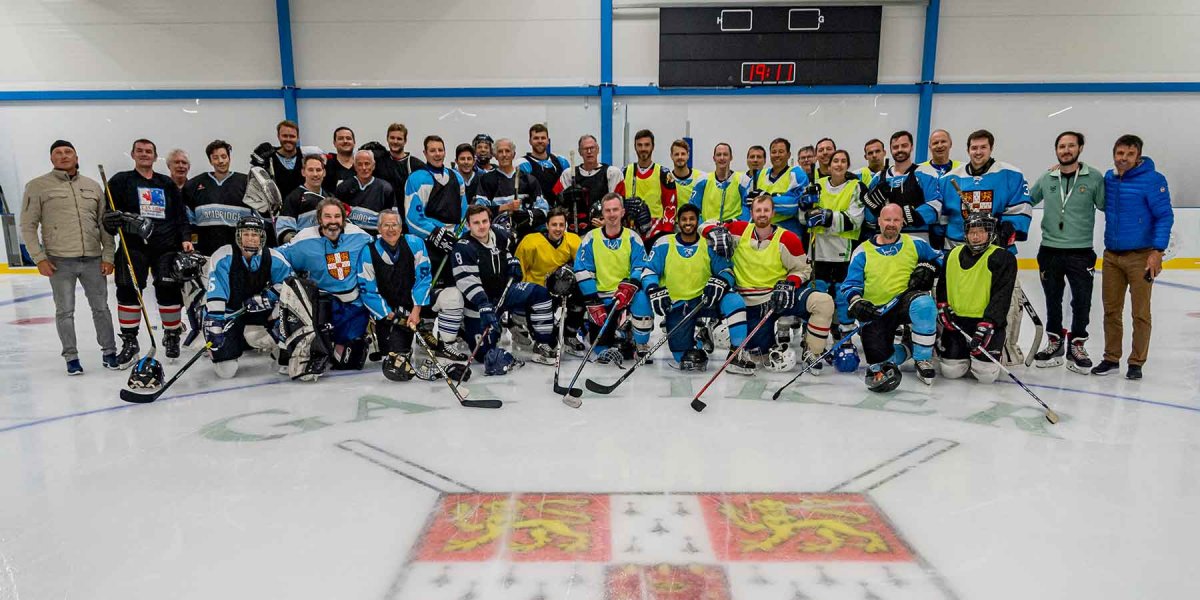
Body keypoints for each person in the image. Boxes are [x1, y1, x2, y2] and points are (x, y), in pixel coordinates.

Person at [19, 140, 118, 374]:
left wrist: (109, 256)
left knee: (101, 308)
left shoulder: (92, 186)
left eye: (68, 152)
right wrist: (39, 257)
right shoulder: (37, 186)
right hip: (59, 261)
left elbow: (105, 225)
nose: (63, 156)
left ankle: (109, 351)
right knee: (65, 311)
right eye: (58, 153)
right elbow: (28, 225)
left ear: (76, 156)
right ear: (52, 159)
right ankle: (71, 357)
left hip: (93, 259)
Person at [708, 194, 834, 374]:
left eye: (766, 210)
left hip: (780, 296)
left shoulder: (788, 238)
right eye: (758, 210)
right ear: (751, 212)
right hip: (750, 304)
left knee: (823, 302)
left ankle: (812, 352)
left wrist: (790, 283)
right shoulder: (738, 229)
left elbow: (804, 270)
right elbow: (705, 225)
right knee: (759, 356)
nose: (762, 214)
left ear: (773, 213)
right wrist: (712, 232)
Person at [940, 129, 1033, 364]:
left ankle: (1005, 348)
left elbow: (1022, 209)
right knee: (952, 305)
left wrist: (1005, 233)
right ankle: (953, 347)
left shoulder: (1010, 174)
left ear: (991, 148)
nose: (978, 152)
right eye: (974, 147)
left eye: (983, 147)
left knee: (1007, 302)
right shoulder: (950, 178)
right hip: (959, 255)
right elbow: (942, 219)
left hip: (996, 256)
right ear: (968, 149)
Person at [277, 198, 390, 380]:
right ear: (319, 220)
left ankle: (333, 345)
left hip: (352, 305)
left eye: (337, 216)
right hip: (320, 303)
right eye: (327, 216)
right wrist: (287, 283)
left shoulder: (358, 236)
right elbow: (277, 255)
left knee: (347, 362)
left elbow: (380, 250)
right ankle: (289, 345)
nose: (333, 221)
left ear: (343, 219)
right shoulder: (305, 239)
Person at [1092, 134, 1173, 379]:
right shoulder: (1110, 178)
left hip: (1141, 256)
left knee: (1140, 312)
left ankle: (1136, 362)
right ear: (1114, 154)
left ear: (1138, 156)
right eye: (1120, 153)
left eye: (1129, 154)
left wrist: (1157, 251)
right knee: (1111, 311)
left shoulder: (1153, 180)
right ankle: (1111, 357)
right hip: (1112, 256)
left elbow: (1164, 216)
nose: (1123, 159)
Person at [104, 138, 193, 364]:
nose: (144, 154)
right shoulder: (120, 181)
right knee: (127, 290)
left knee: (168, 290)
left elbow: (180, 216)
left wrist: (184, 239)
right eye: (140, 151)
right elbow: (108, 217)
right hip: (133, 246)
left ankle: (172, 334)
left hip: (166, 246)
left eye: (149, 151)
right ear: (133, 154)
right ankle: (130, 340)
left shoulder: (166, 184)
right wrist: (110, 220)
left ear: (155, 157)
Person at [840, 204, 943, 389]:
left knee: (924, 304)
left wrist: (929, 268)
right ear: (879, 221)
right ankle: (909, 348)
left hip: (906, 301)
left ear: (903, 222)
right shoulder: (862, 251)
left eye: (896, 220)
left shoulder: (915, 243)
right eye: (887, 220)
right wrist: (857, 302)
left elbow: (940, 259)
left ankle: (923, 359)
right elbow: (850, 285)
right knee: (881, 363)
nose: (891, 224)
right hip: (877, 311)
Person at [1029, 131, 1105, 373]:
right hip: (1050, 250)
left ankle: (1077, 344)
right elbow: (1027, 199)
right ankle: (1055, 342)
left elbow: (1106, 204)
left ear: (1080, 148)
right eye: (1061, 146)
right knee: (1052, 299)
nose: (1066, 150)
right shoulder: (1048, 177)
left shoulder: (1094, 178)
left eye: (1071, 146)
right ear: (1056, 150)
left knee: (1081, 300)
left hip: (1081, 251)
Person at [643, 203, 748, 372]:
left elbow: (726, 269)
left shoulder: (708, 244)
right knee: (681, 357)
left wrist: (722, 280)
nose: (688, 223)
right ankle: (700, 336)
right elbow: (649, 270)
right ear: (678, 222)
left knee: (734, 301)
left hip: (705, 300)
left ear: (697, 221)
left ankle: (737, 353)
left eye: (692, 219)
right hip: (678, 304)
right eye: (684, 219)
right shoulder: (664, 243)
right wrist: (653, 288)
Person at [453, 205, 557, 370]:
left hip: (505, 292)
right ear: (468, 225)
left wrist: (512, 262)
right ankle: (466, 328)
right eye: (476, 223)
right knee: (485, 355)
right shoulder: (464, 247)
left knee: (540, 293)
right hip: (479, 306)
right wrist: (482, 304)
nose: (482, 226)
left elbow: (506, 251)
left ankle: (543, 343)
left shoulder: (499, 234)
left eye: (485, 221)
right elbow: (467, 280)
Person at [404, 135, 470, 358]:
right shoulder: (418, 178)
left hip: (453, 240)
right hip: (428, 243)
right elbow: (412, 217)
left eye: (440, 149)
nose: (437, 153)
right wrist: (435, 232)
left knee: (454, 285)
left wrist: (459, 233)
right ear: (425, 153)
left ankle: (451, 331)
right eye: (432, 150)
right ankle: (425, 331)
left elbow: (464, 211)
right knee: (430, 285)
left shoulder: (457, 178)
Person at [203, 216, 292, 378]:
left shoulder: (273, 257)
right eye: (246, 234)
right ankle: (233, 341)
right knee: (226, 372)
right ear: (238, 236)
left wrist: (268, 296)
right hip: (229, 313)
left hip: (259, 310)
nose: (251, 238)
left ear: (261, 237)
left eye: (255, 234)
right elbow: (217, 291)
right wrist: (214, 323)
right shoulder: (223, 256)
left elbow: (289, 285)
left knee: (289, 314)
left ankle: (277, 345)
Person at [804, 149, 867, 371]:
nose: (839, 164)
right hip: (818, 252)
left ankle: (845, 340)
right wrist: (806, 208)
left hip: (842, 252)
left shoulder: (855, 186)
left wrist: (827, 216)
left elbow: (855, 220)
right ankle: (814, 342)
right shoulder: (817, 185)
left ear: (848, 165)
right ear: (828, 165)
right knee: (819, 296)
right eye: (835, 161)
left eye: (843, 161)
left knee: (842, 297)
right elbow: (806, 218)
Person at [936, 213, 1016, 384]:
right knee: (951, 371)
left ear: (990, 233)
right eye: (972, 231)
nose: (976, 236)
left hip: (986, 324)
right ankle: (959, 351)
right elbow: (943, 285)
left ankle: (996, 352)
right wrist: (942, 307)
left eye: (981, 231)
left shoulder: (1002, 257)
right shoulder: (952, 255)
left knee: (985, 375)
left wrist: (989, 323)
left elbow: (1002, 295)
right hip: (958, 323)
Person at [574, 192, 653, 361]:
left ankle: (641, 343)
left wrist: (631, 285)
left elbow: (641, 266)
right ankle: (618, 331)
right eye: (608, 210)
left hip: (626, 296)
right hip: (601, 298)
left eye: (615, 210)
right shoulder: (590, 238)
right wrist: (593, 301)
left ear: (622, 212)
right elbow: (581, 270)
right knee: (601, 350)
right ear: (602, 213)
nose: (611, 214)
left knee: (642, 298)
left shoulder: (633, 237)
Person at [357, 209, 434, 382]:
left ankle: (437, 340)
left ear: (401, 228)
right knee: (394, 356)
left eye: (395, 225)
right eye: (386, 225)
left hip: (414, 305)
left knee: (448, 299)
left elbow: (423, 278)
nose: (391, 229)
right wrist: (389, 315)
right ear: (379, 229)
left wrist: (416, 311)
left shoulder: (415, 243)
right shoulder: (368, 252)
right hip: (389, 311)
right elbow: (367, 290)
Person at [514, 207, 584, 349]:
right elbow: (517, 272)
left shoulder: (573, 240)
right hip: (537, 293)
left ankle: (569, 334)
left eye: (561, 225)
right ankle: (527, 325)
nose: (558, 229)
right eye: (554, 225)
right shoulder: (530, 242)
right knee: (549, 342)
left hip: (560, 290)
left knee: (582, 294)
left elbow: (581, 268)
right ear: (547, 225)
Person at [861, 131, 943, 243]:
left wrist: (904, 216)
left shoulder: (926, 174)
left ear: (911, 147)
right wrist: (872, 208)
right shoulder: (878, 178)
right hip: (885, 239)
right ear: (890, 149)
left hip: (917, 238)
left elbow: (936, 205)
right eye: (895, 147)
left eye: (904, 146)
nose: (899, 149)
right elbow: (869, 219)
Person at [183, 139, 250, 256]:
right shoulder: (194, 184)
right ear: (210, 161)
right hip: (205, 251)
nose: (221, 161)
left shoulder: (246, 182)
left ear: (229, 158)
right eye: (215, 158)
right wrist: (188, 239)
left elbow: (260, 217)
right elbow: (187, 220)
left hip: (238, 252)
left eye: (224, 156)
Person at [551, 135, 625, 235]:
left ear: (598, 149)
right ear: (580, 152)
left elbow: (620, 206)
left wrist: (607, 222)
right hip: (575, 234)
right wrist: (564, 200)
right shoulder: (568, 174)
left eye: (592, 148)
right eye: (585, 149)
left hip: (602, 233)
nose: (589, 152)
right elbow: (556, 206)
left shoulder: (612, 173)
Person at [475, 138, 548, 239]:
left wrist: (526, 215)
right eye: (500, 151)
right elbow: (479, 210)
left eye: (507, 151)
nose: (504, 155)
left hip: (525, 236)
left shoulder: (528, 179)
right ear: (495, 156)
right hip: (496, 236)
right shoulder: (486, 180)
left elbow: (544, 209)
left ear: (513, 154)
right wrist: (506, 207)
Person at [621, 129, 677, 239]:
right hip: (630, 230)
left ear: (653, 146)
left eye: (647, 145)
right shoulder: (624, 172)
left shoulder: (663, 174)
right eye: (639, 145)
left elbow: (671, 205)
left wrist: (665, 234)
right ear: (635, 147)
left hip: (656, 232)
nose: (643, 149)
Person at [751, 137, 809, 236]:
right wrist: (780, 198)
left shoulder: (797, 174)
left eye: (781, 151)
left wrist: (766, 199)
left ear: (788, 155)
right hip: (762, 229)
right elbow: (749, 202)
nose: (777, 155)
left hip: (788, 230)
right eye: (773, 152)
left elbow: (795, 205)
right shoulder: (760, 174)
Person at [918, 129, 962, 249]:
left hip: (955, 225)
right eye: (935, 143)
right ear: (929, 146)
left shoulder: (963, 169)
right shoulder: (919, 170)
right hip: (929, 226)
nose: (940, 146)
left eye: (943, 141)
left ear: (950, 143)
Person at [336, 149, 395, 236]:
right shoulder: (343, 187)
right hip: (350, 237)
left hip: (375, 238)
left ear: (373, 165)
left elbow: (392, 219)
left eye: (367, 164)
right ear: (355, 166)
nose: (364, 168)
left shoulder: (385, 188)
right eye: (359, 164)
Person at [688, 143, 751, 223]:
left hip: (733, 231)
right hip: (707, 230)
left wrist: (737, 224)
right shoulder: (702, 180)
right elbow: (693, 208)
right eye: (718, 155)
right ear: (714, 158)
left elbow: (747, 208)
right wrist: (702, 226)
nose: (722, 158)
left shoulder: (743, 180)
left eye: (725, 154)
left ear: (731, 157)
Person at [278, 155, 333, 244]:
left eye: (318, 170)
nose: (315, 174)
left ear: (324, 172)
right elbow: (284, 230)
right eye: (310, 170)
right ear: (303, 172)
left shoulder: (331, 198)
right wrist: (299, 242)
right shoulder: (293, 198)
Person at [518, 123, 570, 207]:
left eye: (543, 138)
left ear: (548, 141)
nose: (540, 141)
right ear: (530, 141)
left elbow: (567, 189)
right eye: (536, 138)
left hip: (558, 213)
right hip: (536, 212)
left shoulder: (561, 161)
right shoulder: (523, 164)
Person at [251, 120, 304, 197]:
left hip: (303, 206)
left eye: (292, 136)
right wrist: (258, 162)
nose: (288, 139)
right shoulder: (268, 158)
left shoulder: (305, 157)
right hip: (276, 207)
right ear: (278, 136)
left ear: (298, 137)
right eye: (285, 136)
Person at [669, 139, 705, 211]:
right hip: (675, 222)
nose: (680, 157)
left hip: (696, 221)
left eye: (683, 154)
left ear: (688, 155)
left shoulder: (701, 177)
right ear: (671, 156)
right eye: (676, 154)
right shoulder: (667, 179)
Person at [323, 126, 356, 193]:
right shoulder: (327, 164)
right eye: (341, 138)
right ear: (334, 143)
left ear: (354, 142)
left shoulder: (362, 164)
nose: (345, 141)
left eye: (348, 138)